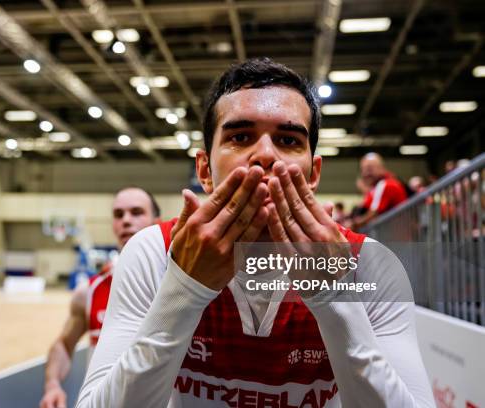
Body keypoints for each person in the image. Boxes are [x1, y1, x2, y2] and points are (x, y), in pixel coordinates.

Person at [77, 58, 434, 407]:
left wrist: (334, 296)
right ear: (204, 169)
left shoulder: (369, 264)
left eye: (289, 140)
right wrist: (184, 290)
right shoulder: (153, 252)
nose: (265, 155)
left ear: (313, 174)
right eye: (241, 136)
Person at [40, 187, 160, 408]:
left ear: (156, 222)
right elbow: (63, 345)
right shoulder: (89, 292)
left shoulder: (177, 287)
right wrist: (52, 385)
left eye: (136, 212)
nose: (126, 220)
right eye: (118, 214)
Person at [352, 152, 408, 229]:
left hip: (396, 235)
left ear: (382, 168)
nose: (365, 174)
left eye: (369, 169)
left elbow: (373, 213)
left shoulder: (385, 184)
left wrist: (354, 225)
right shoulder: (382, 185)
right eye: (363, 169)